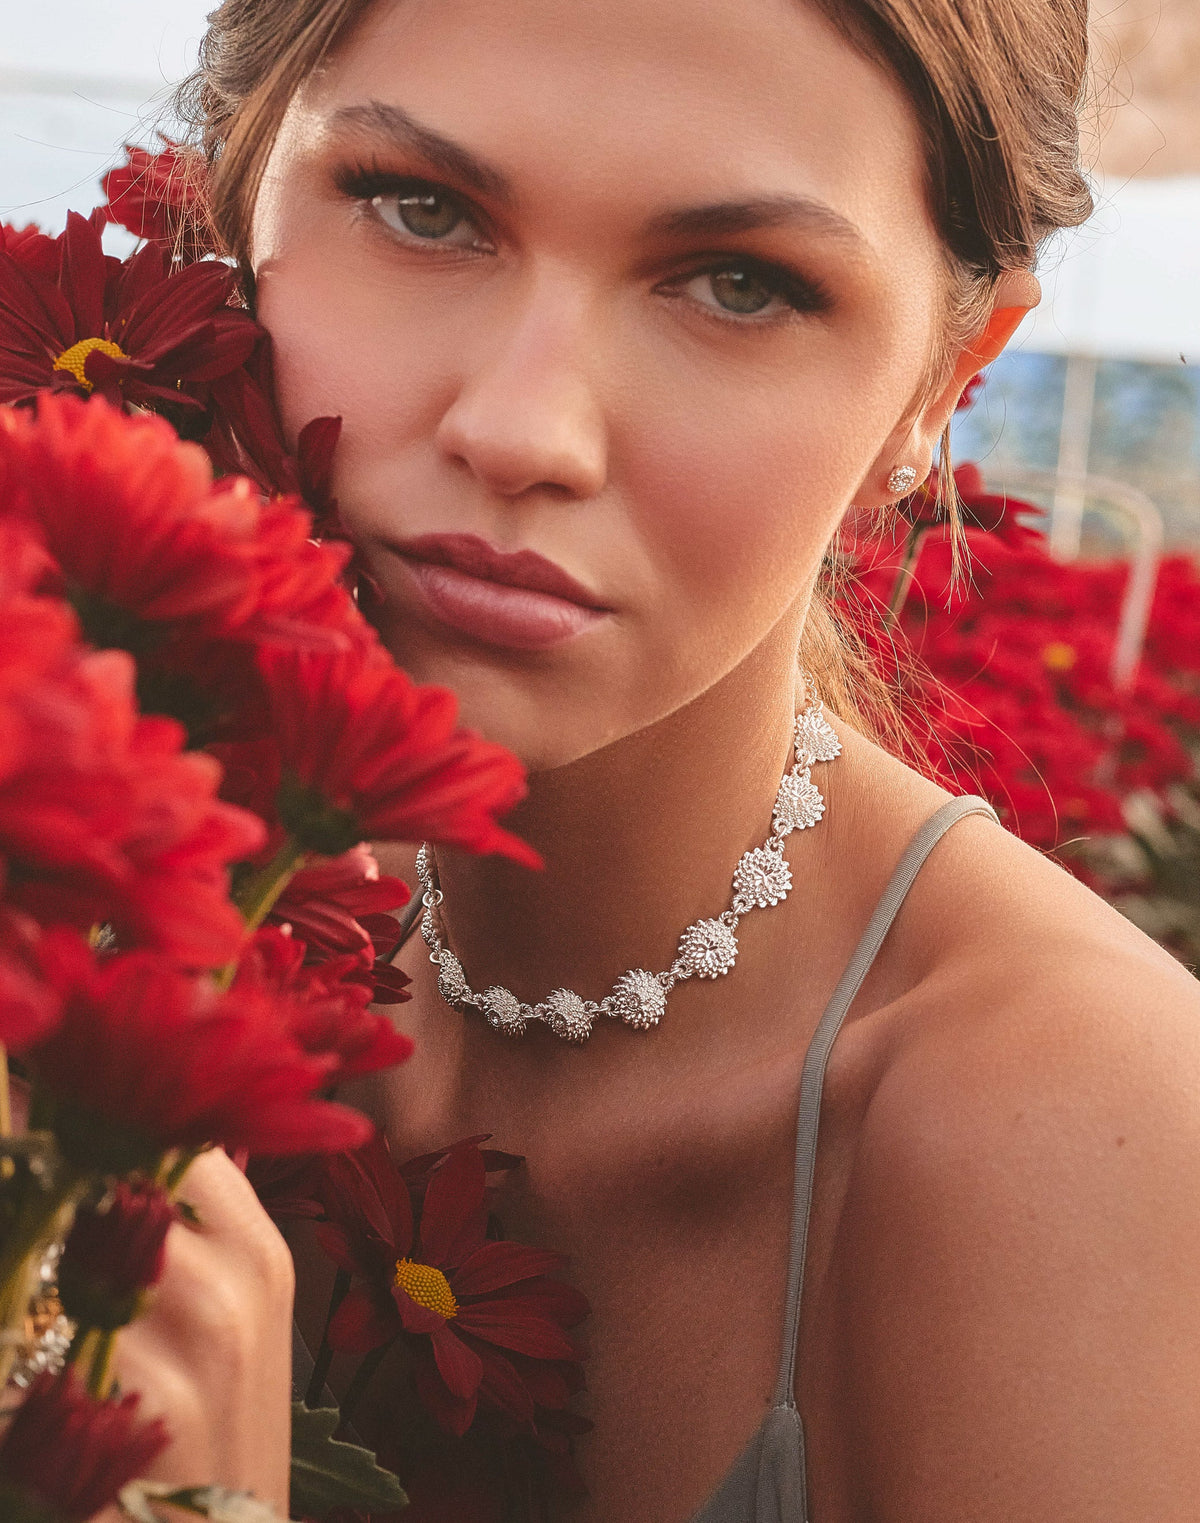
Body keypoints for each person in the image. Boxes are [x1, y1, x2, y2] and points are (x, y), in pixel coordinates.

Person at [107, 0, 1200, 1518]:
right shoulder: (136, 902)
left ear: (944, 386)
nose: (520, 429)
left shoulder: (1080, 1131)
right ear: (229, 193)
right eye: (422, 209)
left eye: (739, 284)